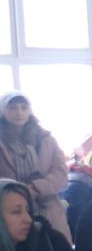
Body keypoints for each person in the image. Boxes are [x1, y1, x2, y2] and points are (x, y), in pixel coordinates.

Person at [0, 93, 71, 239]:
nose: (19, 112)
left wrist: (34, 188)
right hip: (9, 213)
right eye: (13, 108)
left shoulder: (46, 139)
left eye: (24, 107)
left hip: (47, 210)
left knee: (54, 250)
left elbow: (61, 173)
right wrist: (17, 192)